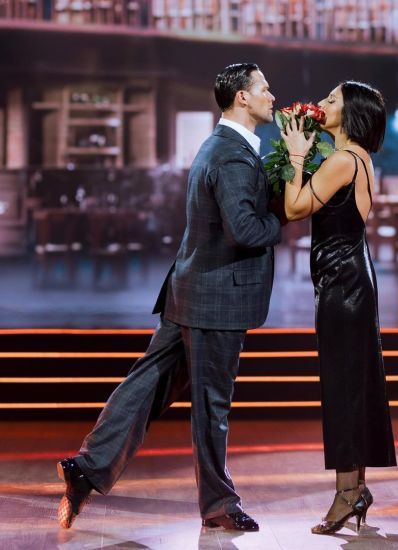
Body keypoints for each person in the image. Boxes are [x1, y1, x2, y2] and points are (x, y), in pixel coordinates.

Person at [56, 63, 280, 532]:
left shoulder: (219, 145)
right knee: (211, 405)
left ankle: (86, 468)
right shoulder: (233, 155)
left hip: (190, 290)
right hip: (214, 299)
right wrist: (283, 219)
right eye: (263, 88)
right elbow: (244, 230)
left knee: (144, 386)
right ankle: (218, 504)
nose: (271, 96)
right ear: (241, 97)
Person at [280, 81, 396, 535]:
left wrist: (295, 156)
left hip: (342, 282)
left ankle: (347, 493)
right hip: (352, 275)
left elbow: (294, 208)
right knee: (354, 383)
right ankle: (357, 488)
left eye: (332, 100)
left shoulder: (343, 160)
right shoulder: (359, 158)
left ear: (350, 115)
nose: (322, 104)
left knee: (343, 386)